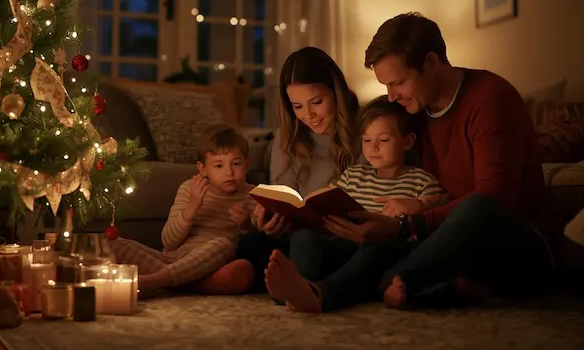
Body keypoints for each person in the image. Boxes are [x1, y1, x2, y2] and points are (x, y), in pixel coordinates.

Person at [309, 12, 554, 310]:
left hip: (515, 245)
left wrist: (412, 221)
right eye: (386, 85)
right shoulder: (415, 112)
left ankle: (397, 281)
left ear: (431, 62)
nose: (391, 96)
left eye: (398, 82)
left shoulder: (490, 98)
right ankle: (323, 293)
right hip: (449, 241)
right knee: (388, 234)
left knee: (458, 213)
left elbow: (495, 197)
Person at [264, 96, 448, 312]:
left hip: (381, 251)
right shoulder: (354, 175)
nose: (374, 148)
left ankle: (322, 292)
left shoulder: (421, 181)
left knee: (378, 250)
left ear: (407, 141)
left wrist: (421, 206)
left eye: (384, 140)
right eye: (367, 140)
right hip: (343, 244)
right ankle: (299, 287)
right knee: (305, 237)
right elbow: (332, 200)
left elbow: (437, 219)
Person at [236, 46, 361, 290]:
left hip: (346, 240)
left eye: (316, 102)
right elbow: (283, 197)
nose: (309, 115)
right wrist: (269, 222)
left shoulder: (366, 131)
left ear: (336, 92)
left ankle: (297, 287)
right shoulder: (287, 137)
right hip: (297, 239)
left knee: (317, 246)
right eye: (298, 106)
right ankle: (301, 282)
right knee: (250, 245)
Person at [111, 124, 257, 297]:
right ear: (203, 169)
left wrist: (246, 225)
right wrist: (193, 206)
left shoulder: (254, 195)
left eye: (236, 164)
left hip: (211, 263)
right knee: (112, 243)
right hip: (172, 259)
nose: (229, 172)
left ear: (247, 164)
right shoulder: (190, 189)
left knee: (225, 245)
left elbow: (257, 244)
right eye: (219, 166)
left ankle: (155, 281)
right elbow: (168, 242)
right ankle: (189, 283)